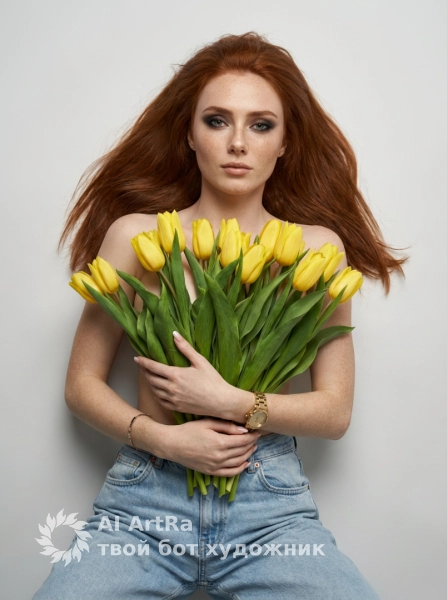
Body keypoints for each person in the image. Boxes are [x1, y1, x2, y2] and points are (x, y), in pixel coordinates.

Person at [33, 31, 407, 599]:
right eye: (216, 121)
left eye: (261, 125)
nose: (237, 143)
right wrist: (165, 440)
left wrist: (231, 402)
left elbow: (334, 412)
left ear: (284, 142)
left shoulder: (315, 250)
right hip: (145, 505)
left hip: (268, 510)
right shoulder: (137, 238)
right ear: (189, 133)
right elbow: (81, 385)